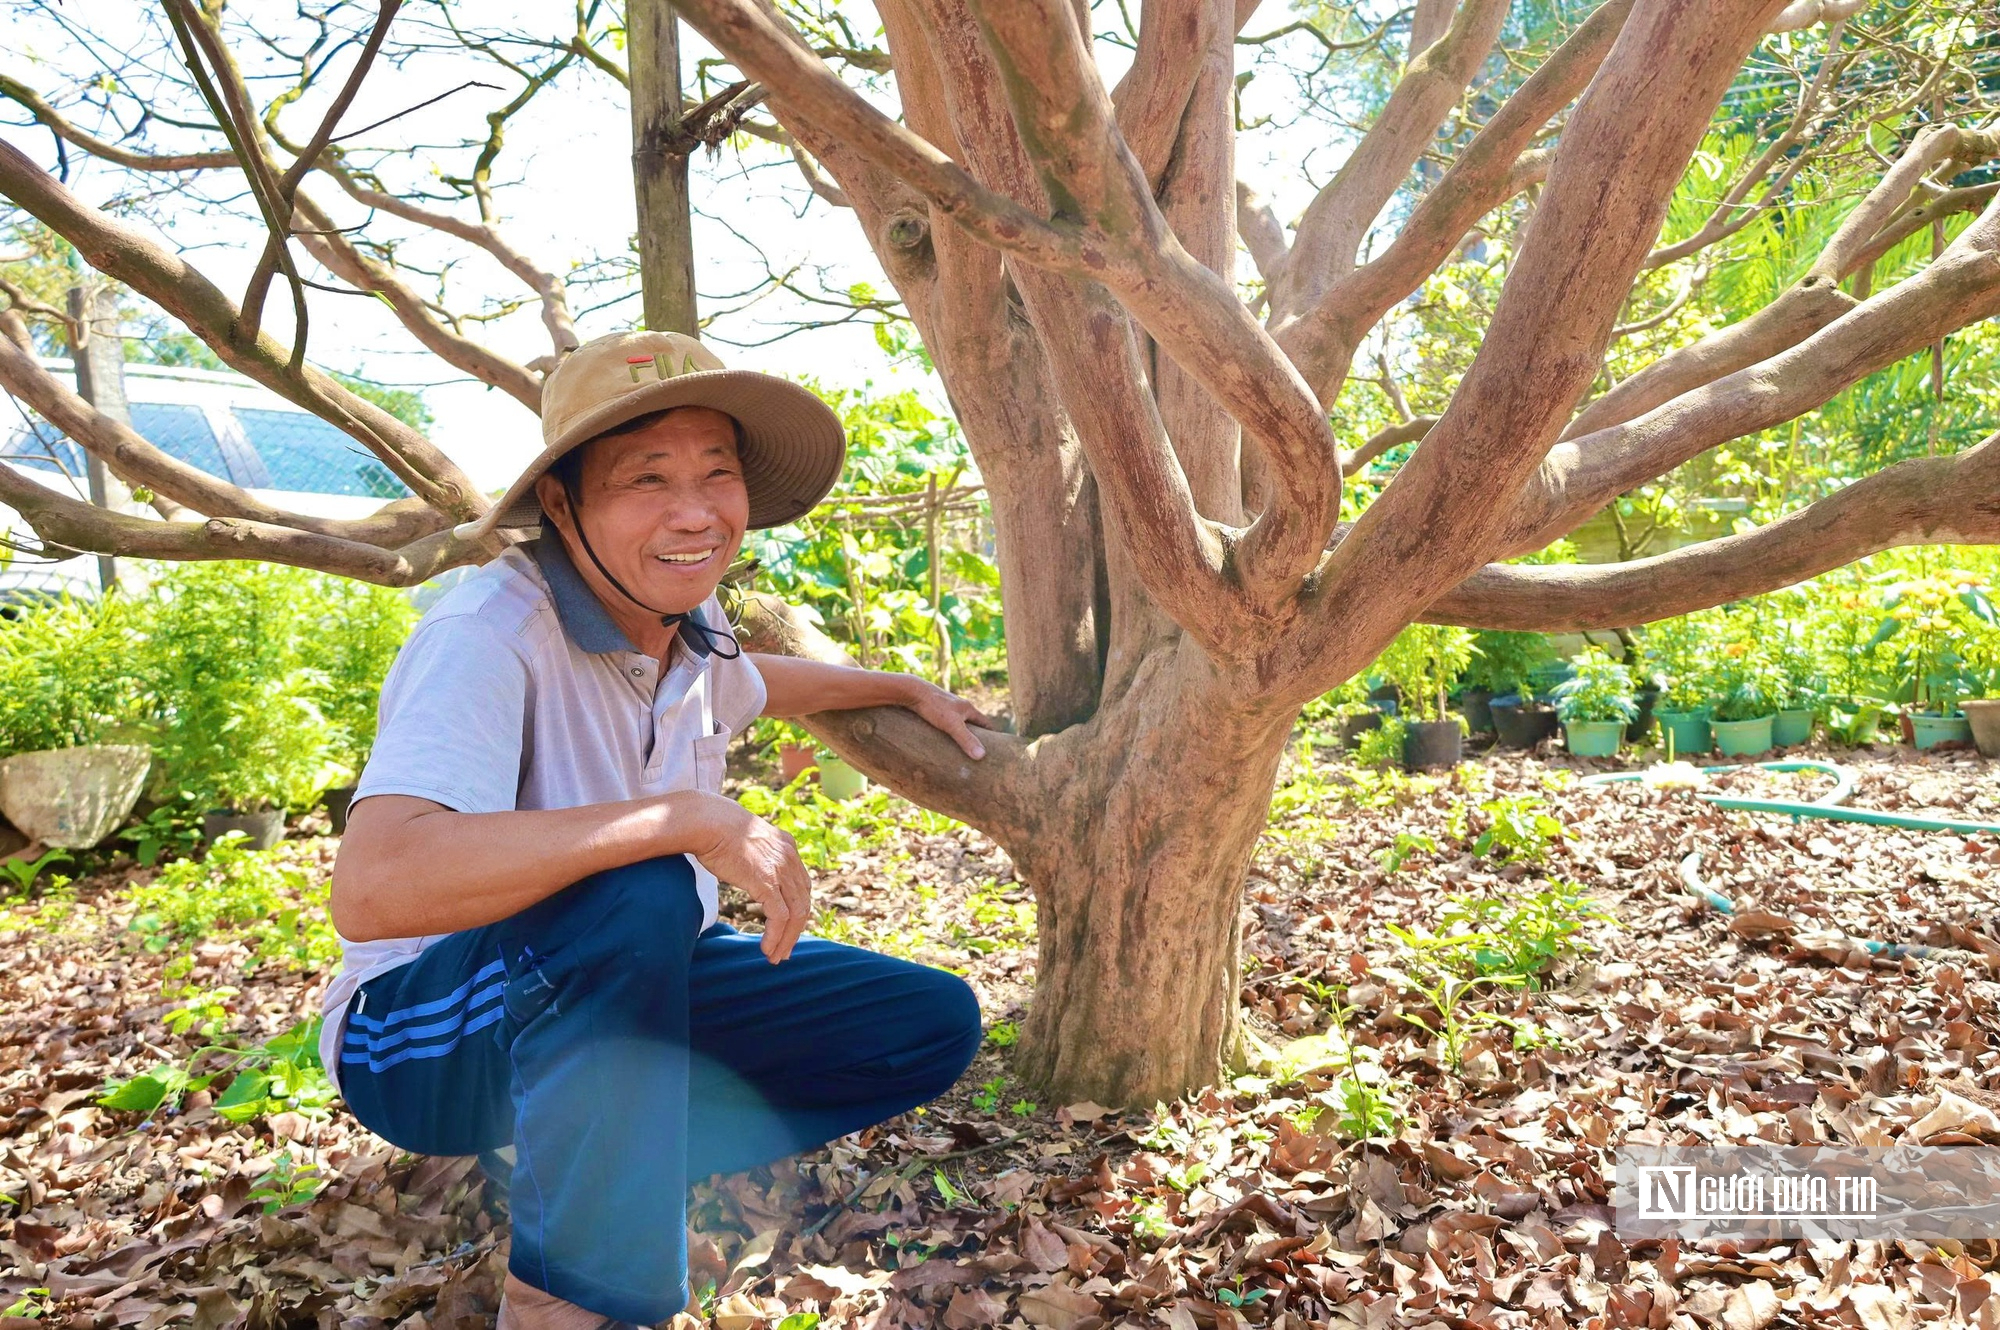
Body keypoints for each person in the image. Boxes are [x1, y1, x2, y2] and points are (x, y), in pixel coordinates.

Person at [327, 330, 994, 1330]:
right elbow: (376, 884)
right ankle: (556, 1295)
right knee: (634, 887)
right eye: (647, 478)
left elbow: (761, 685)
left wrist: (898, 684)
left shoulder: (686, 623)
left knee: (921, 1022)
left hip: (611, 979)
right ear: (560, 501)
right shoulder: (489, 634)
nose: (694, 513)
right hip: (419, 1034)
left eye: (714, 474)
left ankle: (604, 1186)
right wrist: (678, 816)